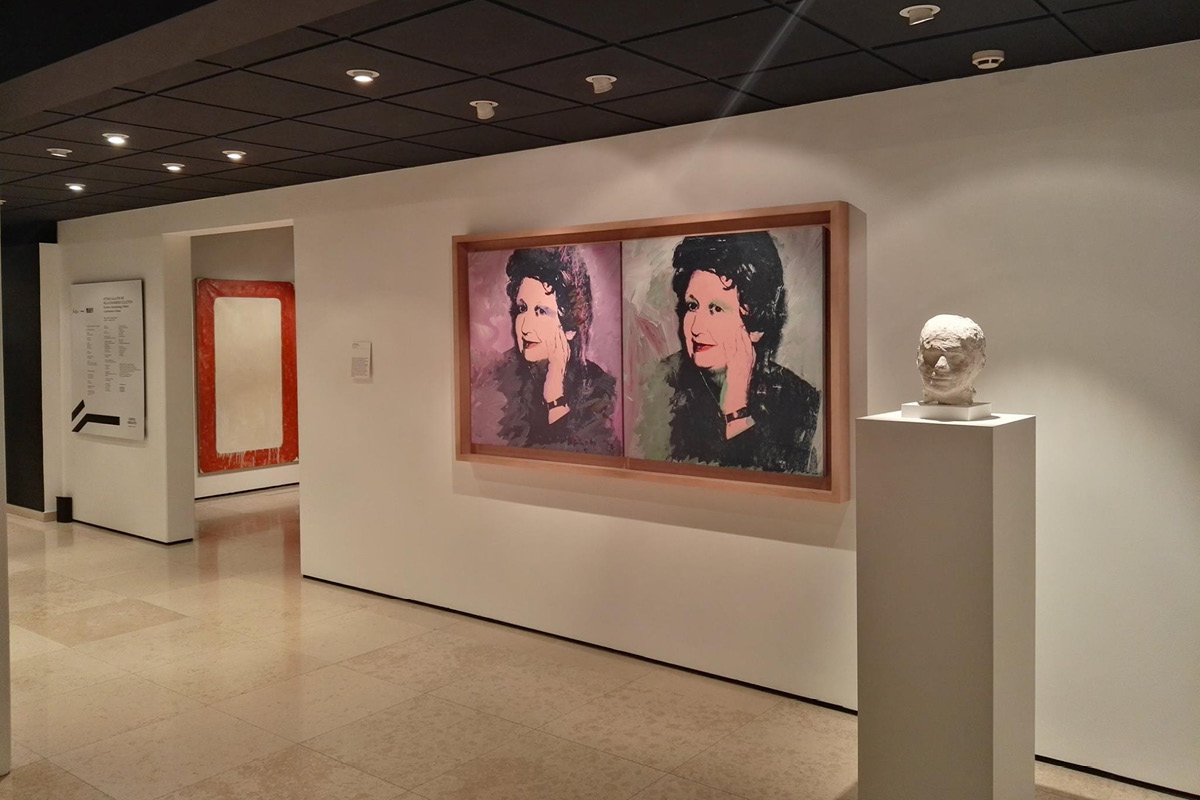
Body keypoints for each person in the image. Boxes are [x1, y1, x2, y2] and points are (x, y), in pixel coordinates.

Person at [646, 231, 821, 474]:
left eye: (716, 309)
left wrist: (736, 408)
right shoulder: (662, 382)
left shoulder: (798, 400)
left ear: (755, 326)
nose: (696, 327)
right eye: (692, 306)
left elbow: (768, 483)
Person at [485, 246, 619, 454]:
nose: (525, 327)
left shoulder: (598, 387)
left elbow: (582, 457)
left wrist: (555, 394)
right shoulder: (498, 376)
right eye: (522, 308)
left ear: (570, 327)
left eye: (541, 311)